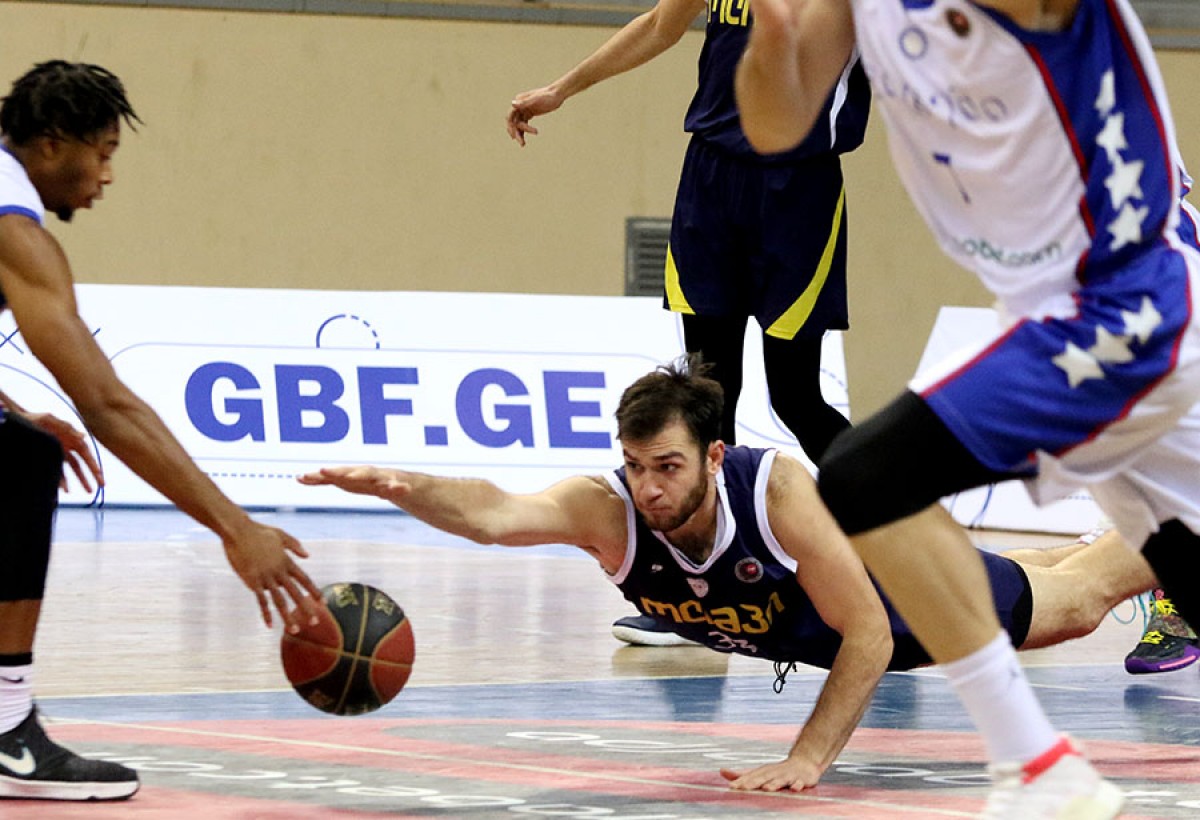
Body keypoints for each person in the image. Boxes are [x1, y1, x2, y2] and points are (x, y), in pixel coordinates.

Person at [735, 0, 1200, 816]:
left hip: (1129, 298)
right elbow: (776, 126)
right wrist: (774, 33)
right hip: (1055, 310)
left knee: (866, 478)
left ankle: (1039, 766)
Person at [300, 358, 1162, 793]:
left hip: (898, 601)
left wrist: (808, 758)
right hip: (842, 612)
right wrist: (402, 484)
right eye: (635, 465)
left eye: (668, 466)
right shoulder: (609, 511)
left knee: (1079, 603)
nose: (649, 487)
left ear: (715, 456)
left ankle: (1178, 529)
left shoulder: (775, 492)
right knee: (1041, 570)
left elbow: (866, 631)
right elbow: (494, 514)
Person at [0, 60, 323, 802]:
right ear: (51, 143)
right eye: (103, 152)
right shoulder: (14, 230)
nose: (108, 175)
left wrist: (11, 410)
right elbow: (107, 405)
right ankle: (7, 730)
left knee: (18, 449)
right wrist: (235, 526)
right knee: (19, 464)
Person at [506, 0, 870, 648]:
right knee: (709, 393)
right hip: (712, 178)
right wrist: (562, 88)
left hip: (798, 188)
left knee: (796, 396)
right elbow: (658, 25)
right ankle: (696, 593)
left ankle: (905, 550)